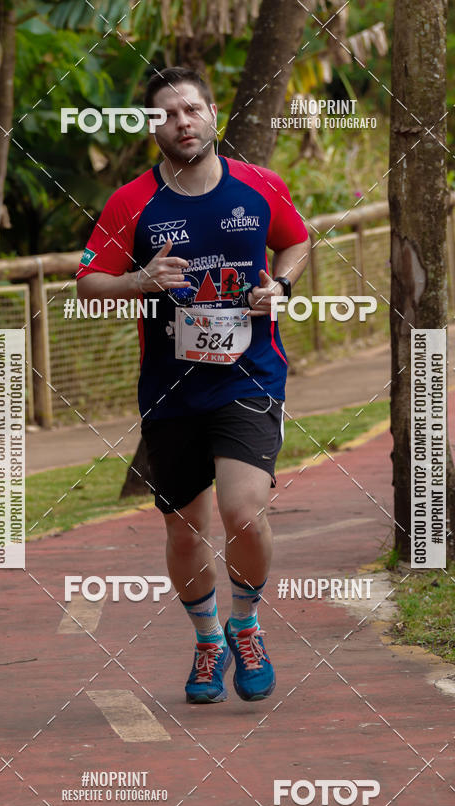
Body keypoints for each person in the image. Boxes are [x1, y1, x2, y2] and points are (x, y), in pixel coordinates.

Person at [77, 67, 310, 704]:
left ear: (212, 115)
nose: (182, 122)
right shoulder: (132, 203)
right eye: (167, 114)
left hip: (249, 376)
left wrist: (280, 288)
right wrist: (139, 280)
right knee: (185, 528)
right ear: (154, 128)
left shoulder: (259, 186)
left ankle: (246, 624)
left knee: (243, 513)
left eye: (191, 109)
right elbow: (89, 283)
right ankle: (208, 640)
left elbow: (296, 242)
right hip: (170, 391)